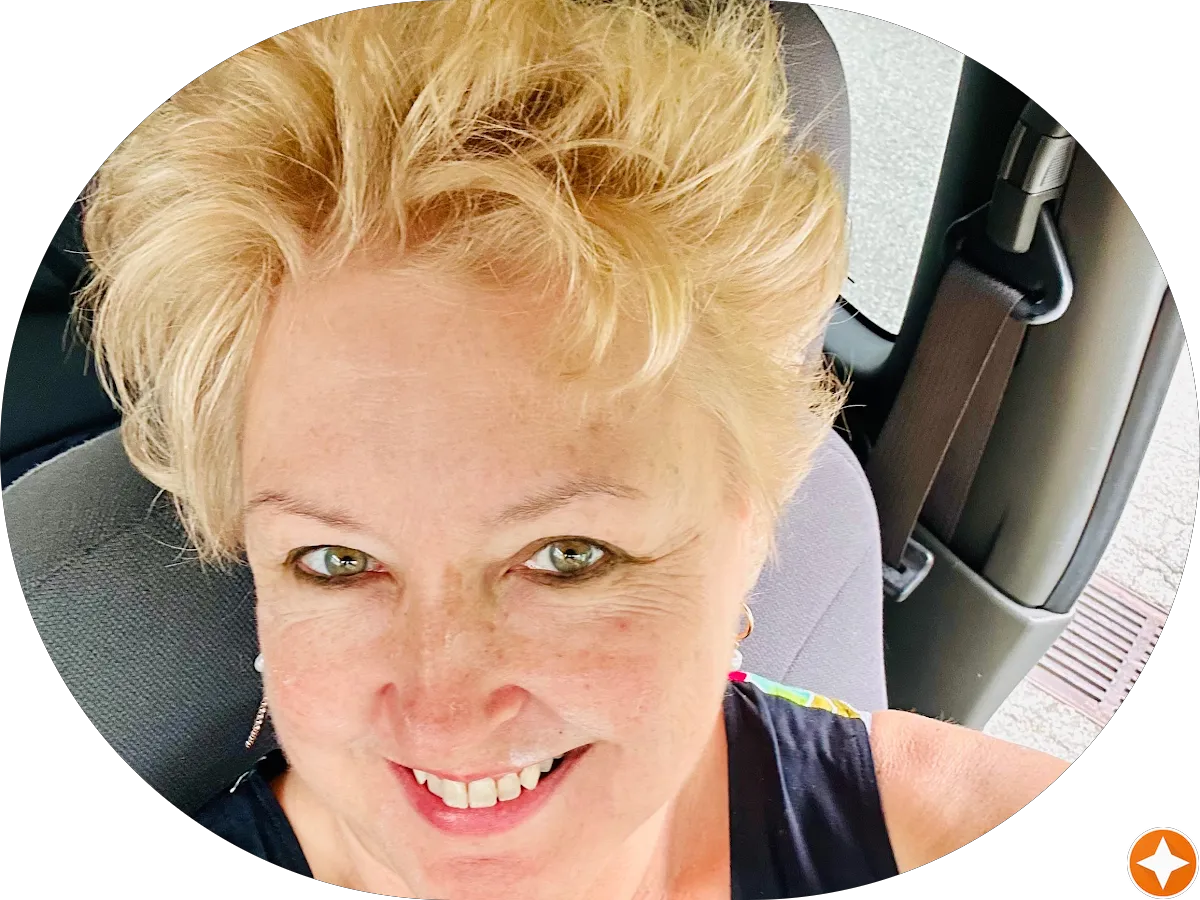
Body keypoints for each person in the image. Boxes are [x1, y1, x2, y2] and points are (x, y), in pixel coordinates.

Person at [71, 1, 1069, 897]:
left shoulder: (926, 821)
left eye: (568, 555)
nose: (445, 718)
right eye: (336, 561)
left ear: (748, 529)